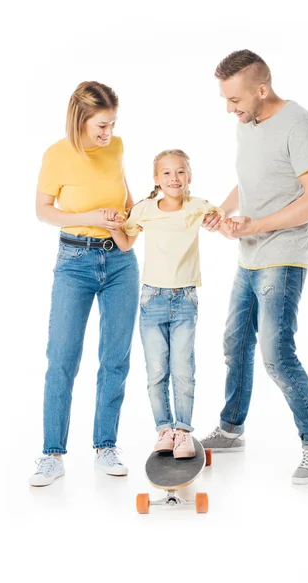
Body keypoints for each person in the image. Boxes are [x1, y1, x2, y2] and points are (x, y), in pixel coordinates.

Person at [201, 50, 308, 484]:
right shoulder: (249, 123)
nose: (229, 110)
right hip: (250, 253)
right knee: (235, 342)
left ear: (262, 90)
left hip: (284, 255)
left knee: (276, 356)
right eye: (225, 100)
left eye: (235, 100)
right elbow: (254, 176)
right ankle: (231, 429)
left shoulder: (299, 125)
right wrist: (223, 210)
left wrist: (257, 224)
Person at [29, 81, 139, 487]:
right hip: (74, 260)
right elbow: (43, 210)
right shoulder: (56, 155)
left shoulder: (117, 147)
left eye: (112, 124)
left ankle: (105, 444)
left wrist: (131, 221)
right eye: (101, 126)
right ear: (80, 119)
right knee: (62, 358)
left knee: (115, 358)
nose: (108, 133)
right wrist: (91, 215)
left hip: (121, 261)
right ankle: (52, 454)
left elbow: (127, 201)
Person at [108, 150, 224, 458]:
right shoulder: (144, 209)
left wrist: (224, 219)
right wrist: (111, 226)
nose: (174, 178)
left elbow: (220, 220)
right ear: (157, 179)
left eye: (181, 172)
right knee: (157, 370)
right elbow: (125, 242)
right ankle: (164, 430)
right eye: (167, 173)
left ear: (189, 177)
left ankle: (183, 431)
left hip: (185, 299)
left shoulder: (198, 207)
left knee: (183, 369)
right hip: (152, 299)